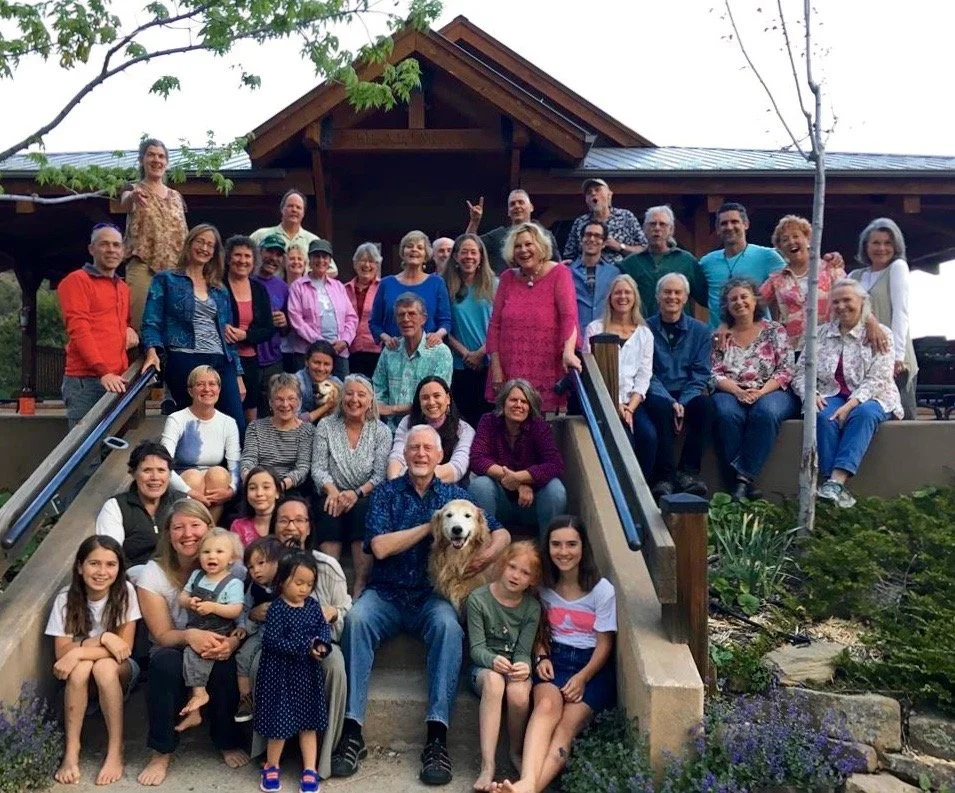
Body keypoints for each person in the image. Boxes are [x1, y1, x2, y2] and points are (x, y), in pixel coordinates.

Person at [330, 424, 510, 784]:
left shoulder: (455, 495)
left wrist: (484, 558)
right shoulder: (386, 494)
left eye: (429, 448)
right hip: (387, 593)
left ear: (440, 455)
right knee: (357, 621)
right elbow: (379, 547)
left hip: (433, 596)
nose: (421, 454)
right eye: (415, 448)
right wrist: (431, 526)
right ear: (404, 454)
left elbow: (501, 531)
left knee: (447, 626)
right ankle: (351, 732)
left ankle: (437, 738)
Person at [493, 516, 616, 793]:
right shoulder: (543, 587)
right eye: (556, 544)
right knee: (546, 707)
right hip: (554, 659)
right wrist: (542, 655)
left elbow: (605, 644)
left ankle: (528, 787)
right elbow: (538, 629)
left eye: (572, 544)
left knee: (565, 728)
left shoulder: (602, 590)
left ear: (584, 547)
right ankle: (527, 784)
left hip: (591, 666)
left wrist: (583, 677)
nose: (564, 552)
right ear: (547, 547)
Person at [135, 499, 248, 786]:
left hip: (217, 640)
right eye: (178, 527)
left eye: (195, 525)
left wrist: (232, 643)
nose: (188, 533)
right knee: (163, 664)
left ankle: (226, 741)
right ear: (168, 534)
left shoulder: (229, 567)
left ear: (210, 529)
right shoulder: (154, 574)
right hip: (173, 644)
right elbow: (162, 635)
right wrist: (190, 636)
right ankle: (161, 751)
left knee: (225, 666)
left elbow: (243, 618)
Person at [792, 279, 902, 508]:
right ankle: (832, 488)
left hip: (873, 396)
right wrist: (810, 394)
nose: (842, 306)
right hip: (831, 393)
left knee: (864, 414)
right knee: (822, 416)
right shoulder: (819, 335)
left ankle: (835, 481)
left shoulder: (881, 334)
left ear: (862, 302)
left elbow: (879, 378)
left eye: (847, 300)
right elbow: (800, 372)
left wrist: (850, 405)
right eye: (836, 301)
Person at [263, 496, 351, 781]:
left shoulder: (326, 566)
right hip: (273, 642)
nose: (291, 527)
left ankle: (322, 758)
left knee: (335, 665)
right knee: (255, 663)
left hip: (316, 643)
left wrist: (331, 621)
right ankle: (265, 756)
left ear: (310, 527)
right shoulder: (262, 564)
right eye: (284, 520)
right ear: (273, 525)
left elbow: (344, 609)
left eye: (299, 520)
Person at [46, 535, 141, 786]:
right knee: (82, 669)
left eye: (110, 564)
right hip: (81, 672)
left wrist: (80, 650)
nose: (102, 571)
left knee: (104, 666)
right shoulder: (65, 599)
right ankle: (71, 751)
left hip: (123, 669)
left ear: (119, 568)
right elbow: (61, 652)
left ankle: (114, 750)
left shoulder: (125, 593)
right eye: (94, 563)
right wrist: (103, 640)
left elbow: (124, 649)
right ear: (79, 566)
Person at [141, 223, 247, 433]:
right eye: (200, 241)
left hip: (220, 359)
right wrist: (151, 351)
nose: (204, 248)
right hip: (184, 357)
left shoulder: (219, 289)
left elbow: (228, 336)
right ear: (190, 243)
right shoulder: (166, 279)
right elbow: (151, 321)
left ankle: (232, 467)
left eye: (210, 245)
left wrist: (238, 374)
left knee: (235, 424)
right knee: (193, 426)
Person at [711, 278, 799, 501]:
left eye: (744, 297)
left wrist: (760, 392)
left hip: (772, 390)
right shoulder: (721, 335)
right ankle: (743, 484)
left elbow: (786, 370)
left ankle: (741, 480)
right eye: (733, 299)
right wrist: (738, 391)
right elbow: (713, 372)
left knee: (766, 413)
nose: (739, 302)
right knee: (726, 414)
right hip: (731, 390)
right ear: (726, 306)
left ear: (755, 301)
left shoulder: (775, 330)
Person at [253, 550, 331, 793]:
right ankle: (272, 764)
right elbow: (272, 641)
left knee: (308, 724)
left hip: (307, 675)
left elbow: (323, 628)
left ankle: (310, 769)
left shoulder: (313, 606)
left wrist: (321, 644)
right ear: (282, 581)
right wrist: (303, 648)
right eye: (298, 583)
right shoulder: (277, 609)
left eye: (309, 584)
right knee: (280, 723)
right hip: (281, 674)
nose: (304, 589)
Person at [467, 540, 543, 792]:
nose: (516, 576)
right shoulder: (478, 599)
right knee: (494, 681)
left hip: (513, 670)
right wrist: (492, 661)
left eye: (525, 573)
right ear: (502, 565)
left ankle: (515, 750)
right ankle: (488, 765)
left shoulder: (531, 608)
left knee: (519, 693)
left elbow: (523, 651)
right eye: (512, 567)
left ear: (532, 580)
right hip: (484, 669)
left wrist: (524, 665)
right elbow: (476, 649)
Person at [487, 222, 581, 414]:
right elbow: (495, 324)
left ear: (541, 246)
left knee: (545, 428)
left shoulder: (559, 273)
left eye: (528, 244)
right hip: (510, 365)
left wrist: (569, 351)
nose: (523, 250)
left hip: (548, 366)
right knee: (512, 424)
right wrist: (496, 367)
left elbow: (569, 317)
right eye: (518, 246)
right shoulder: (506, 278)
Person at [311, 374, 392, 598]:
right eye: (349, 393)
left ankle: (360, 584)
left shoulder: (381, 431)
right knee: (328, 509)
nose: (354, 399)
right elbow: (317, 468)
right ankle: (330, 585)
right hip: (332, 492)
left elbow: (380, 475)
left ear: (370, 400)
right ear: (341, 397)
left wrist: (356, 493)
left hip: (364, 494)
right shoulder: (326, 426)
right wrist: (333, 491)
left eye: (361, 394)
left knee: (363, 509)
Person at [57, 223, 136, 429]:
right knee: (84, 451)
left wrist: (128, 328)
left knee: (110, 452)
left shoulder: (123, 287)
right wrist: (103, 372)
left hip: (116, 379)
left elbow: (121, 322)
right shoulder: (76, 281)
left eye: (116, 245)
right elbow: (79, 330)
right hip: (87, 380)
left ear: (123, 250)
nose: (111, 250)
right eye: (105, 244)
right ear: (92, 249)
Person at [643, 273, 713, 499]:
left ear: (685, 298)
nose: (672, 296)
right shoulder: (645, 329)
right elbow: (647, 372)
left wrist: (683, 401)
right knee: (661, 409)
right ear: (658, 296)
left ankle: (687, 472)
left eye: (677, 293)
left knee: (706, 407)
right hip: (656, 391)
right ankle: (664, 477)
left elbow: (701, 372)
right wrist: (671, 402)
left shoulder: (700, 331)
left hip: (688, 392)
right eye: (667, 292)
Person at [469, 379, 567, 535]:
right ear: (503, 402)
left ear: (530, 406)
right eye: (513, 400)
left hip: (533, 503)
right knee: (480, 485)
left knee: (555, 490)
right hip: (500, 500)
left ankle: (549, 551)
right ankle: (485, 548)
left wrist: (521, 477)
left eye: (524, 401)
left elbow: (555, 464)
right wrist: (517, 483)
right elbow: (477, 459)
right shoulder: (489, 421)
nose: (519, 405)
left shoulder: (539, 426)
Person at [583, 274, 655, 477]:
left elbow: (644, 375)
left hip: (631, 402)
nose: (622, 297)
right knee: (623, 441)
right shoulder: (595, 329)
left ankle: (646, 487)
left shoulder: (644, 334)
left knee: (648, 436)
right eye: (618, 292)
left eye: (627, 292)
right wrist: (614, 404)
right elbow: (590, 371)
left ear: (635, 297)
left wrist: (630, 408)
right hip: (603, 401)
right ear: (610, 298)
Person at [176, 528, 245, 732]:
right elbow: (181, 597)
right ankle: (197, 700)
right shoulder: (197, 576)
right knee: (190, 653)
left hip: (219, 632)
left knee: (203, 655)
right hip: (196, 630)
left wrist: (213, 607)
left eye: (219, 552)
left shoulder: (233, 582)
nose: (211, 556)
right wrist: (189, 602)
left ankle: (199, 696)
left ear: (232, 558)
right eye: (206, 552)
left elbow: (236, 609)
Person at [850, 218, 919, 419]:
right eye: (876, 242)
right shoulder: (855, 275)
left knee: (901, 414)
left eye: (888, 243)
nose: (882, 248)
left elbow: (901, 312)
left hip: (893, 355)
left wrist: (898, 357)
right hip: (864, 359)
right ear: (866, 246)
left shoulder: (897, 268)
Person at [121, 138, 188, 331]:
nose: (156, 160)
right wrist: (132, 197)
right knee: (141, 324)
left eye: (161, 156)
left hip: (175, 270)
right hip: (143, 265)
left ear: (166, 162)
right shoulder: (133, 189)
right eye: (151, 155)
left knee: (173, 325)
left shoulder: (176, 196)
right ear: (142, 160)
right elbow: (124, 201)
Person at [159, 364, 241, 521]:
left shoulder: (228, 422)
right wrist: (189, 491)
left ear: (219, 389)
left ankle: (209, 530)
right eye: (200, 384)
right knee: (194, 477)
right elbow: (164, 463)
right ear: (190, 391)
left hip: (215, 484)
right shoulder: (177, 419)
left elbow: (235, 465)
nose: (207, 389)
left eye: (212, 384)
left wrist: (231, 490)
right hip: (183, 481)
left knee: (219, 473)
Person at [699, 202, 786, 329]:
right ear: (717, 229)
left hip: (757, 340)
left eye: (734, 222)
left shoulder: (768, 257)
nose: (729, 227)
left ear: (746, 224)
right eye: (724, 223)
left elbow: (792, 284)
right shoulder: (707, 262)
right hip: (718, 340)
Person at [96, 440, 178, 573]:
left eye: (161, 470)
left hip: (178, 575)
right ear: (133, 473)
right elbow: (109, 555)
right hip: (134, 577)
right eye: (147, 470)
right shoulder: (116, 507)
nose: (155, 477)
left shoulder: (182, 502)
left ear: (169, 474)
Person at [373, 293, 454, 426]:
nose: (406, 319)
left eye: (412, 314)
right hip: (390, 429)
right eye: (401, 314)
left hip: (428, 428)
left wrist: (392, 409)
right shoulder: (390, 351)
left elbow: (437, 399)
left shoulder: (440, 353)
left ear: (423, 319)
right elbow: (378, 389)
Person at [443, 232, 497, 425]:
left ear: (481, 256)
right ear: (456, 256)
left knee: (488, 420)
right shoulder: (445, 286)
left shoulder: (495, 284)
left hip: (489, 363)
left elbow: (500, 324)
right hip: (459, 364)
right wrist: (466, 353)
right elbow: (443, 325)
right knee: (463, 422)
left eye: (474, 252)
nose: (469, 257)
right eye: (464, 252)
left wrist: (481, 352)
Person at [287, 238, 357, 381]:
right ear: (310, 259)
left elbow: (351, 317)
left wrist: (345, 340)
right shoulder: (298, 287)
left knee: (340, 393)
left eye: (324, 257)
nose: (320, 260)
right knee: (306, 394)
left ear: (330, 260)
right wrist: (321, 343)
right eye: (316, 256)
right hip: (308, 353)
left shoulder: (338, 286)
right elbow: (296, 320)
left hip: (339, 352)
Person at [618, 205, 708, 317]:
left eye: (662, 224)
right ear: (644, 229)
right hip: (642, 329)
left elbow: (706, 299)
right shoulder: (630, 264)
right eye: (652, 224)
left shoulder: (686, 261)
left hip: (680, 330)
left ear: (671, 230)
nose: (657, 228)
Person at [369, 230, 452, 347]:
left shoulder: (437, 283)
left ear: (426, 255)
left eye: (420, 247)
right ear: (403, 252)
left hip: (428, 350)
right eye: (409, 246)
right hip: (394, 351)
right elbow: (374, 323)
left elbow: (446, 321)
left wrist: (437, 335)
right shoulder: (386, 283)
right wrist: (386, 338)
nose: (414, 250)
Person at [233, 535, 284, 723]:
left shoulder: (288, 582)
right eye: (251, 567)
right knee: (243, 656)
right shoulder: (253, 588)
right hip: (260, 632)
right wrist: (244, 624)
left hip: (285, 634)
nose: (256, 571)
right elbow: (244, 609)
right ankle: (246, 699)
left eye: (261, 563)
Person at [223, 235, 275, 423]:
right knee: (227, 409)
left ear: (254, 261)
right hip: (224, 358)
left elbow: (268, 328)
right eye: (238, 255)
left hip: (250, 359)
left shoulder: (259, 289)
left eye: (247, 256)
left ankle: (249, 449)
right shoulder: (218, 285)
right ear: (228, 258)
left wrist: (245, 335)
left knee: (250, 406)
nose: (242, 260)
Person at [387, 376, 475, 484]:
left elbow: (457, 467)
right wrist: (396, 484)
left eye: (437, 396)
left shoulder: (464, 430)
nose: (431, 402)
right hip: (406, 485)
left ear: (448, 399)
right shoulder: (407, 422)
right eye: (425, 398)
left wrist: (420, 478)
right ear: (419, 402)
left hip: (450, 488)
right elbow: (397, 457)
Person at [241, 373, 315, 493]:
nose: (285, 404)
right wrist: (256, 483)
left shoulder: (307, 430)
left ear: (299, 401)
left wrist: (279, 487)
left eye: (291, 399)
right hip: (258, 486)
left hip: (289, 489)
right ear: (270, 402)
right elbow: (248, 461)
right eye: (279, 399)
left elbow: (302, 468)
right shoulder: (255, 427)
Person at [465, 190, 560, 275]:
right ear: (508, 212)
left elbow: (556, 266)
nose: (517, 206)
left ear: (531, 207)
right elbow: (468, 245)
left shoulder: (545, 236)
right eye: (512, 204)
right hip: (502, 288)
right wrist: (474, 221)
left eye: (521, 202)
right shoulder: (498, 235)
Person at [563, 178, 646, 263]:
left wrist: (619, 246)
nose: (593, 193)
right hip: (585, 273)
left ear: (609, 195)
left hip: (619, 273)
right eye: (589, 192)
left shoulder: (626, 217)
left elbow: (644, 250)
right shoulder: (580, 222)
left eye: (597, 190)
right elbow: (569, 255)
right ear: (586, 200)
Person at [253, 233, 291, 414]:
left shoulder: (283, 287)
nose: (273, 258)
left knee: (273, 408)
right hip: (249, 356)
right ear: (260, 252)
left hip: (273, 359)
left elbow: (286, 331)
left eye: (278, 254)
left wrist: (284, 322)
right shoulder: (247, 280)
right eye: (269, 252)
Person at [569, 219, 622, 336]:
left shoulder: (614, 273)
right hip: (575, 337)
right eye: (588, 235)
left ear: (603, 243)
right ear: (581, 240)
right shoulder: (567, 272)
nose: (592, 239)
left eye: (597, 236)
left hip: (605, 337)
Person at [344, 242, 383, 378]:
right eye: (362, 260)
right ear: (355, 264)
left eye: (371, 261)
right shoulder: (343, 289)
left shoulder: (383, 288)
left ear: (377, 266)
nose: (366, 265)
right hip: (350, 350)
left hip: (377, 351)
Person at [250, 189, 319, 255]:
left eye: (298, 207)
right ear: (282, 209)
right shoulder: (260, 235)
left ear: (303, 213)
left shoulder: (313, 241)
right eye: (290, 206)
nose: (294, 210)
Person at [230, 465, 282, 548]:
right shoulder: (239, 526)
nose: (259, 493)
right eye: (252, 488)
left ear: (277, 492)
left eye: (266, 487)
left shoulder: (287, 525)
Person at [295, 340, 342, 424]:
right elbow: (294, 421)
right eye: (316, 362)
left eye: (326, 364)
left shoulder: (336, 383)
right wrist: (327, 406)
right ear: (306, 362)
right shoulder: (296, 382)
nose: (321, 368)